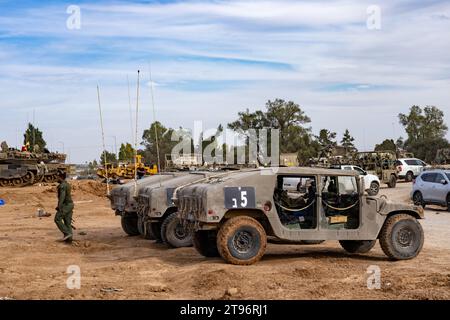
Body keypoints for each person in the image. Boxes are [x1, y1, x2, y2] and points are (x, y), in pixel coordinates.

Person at [54, 172, 74, 242]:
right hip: (70, 205)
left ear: (60, 177)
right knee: (67, 222)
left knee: (57, 219)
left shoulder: (62, 186)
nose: (56, 178)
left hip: (66, 205)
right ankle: (69, 240)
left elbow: (62, 197)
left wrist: (59, 206)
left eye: (57, 177)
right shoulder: (67, 184)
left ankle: (67, 233)